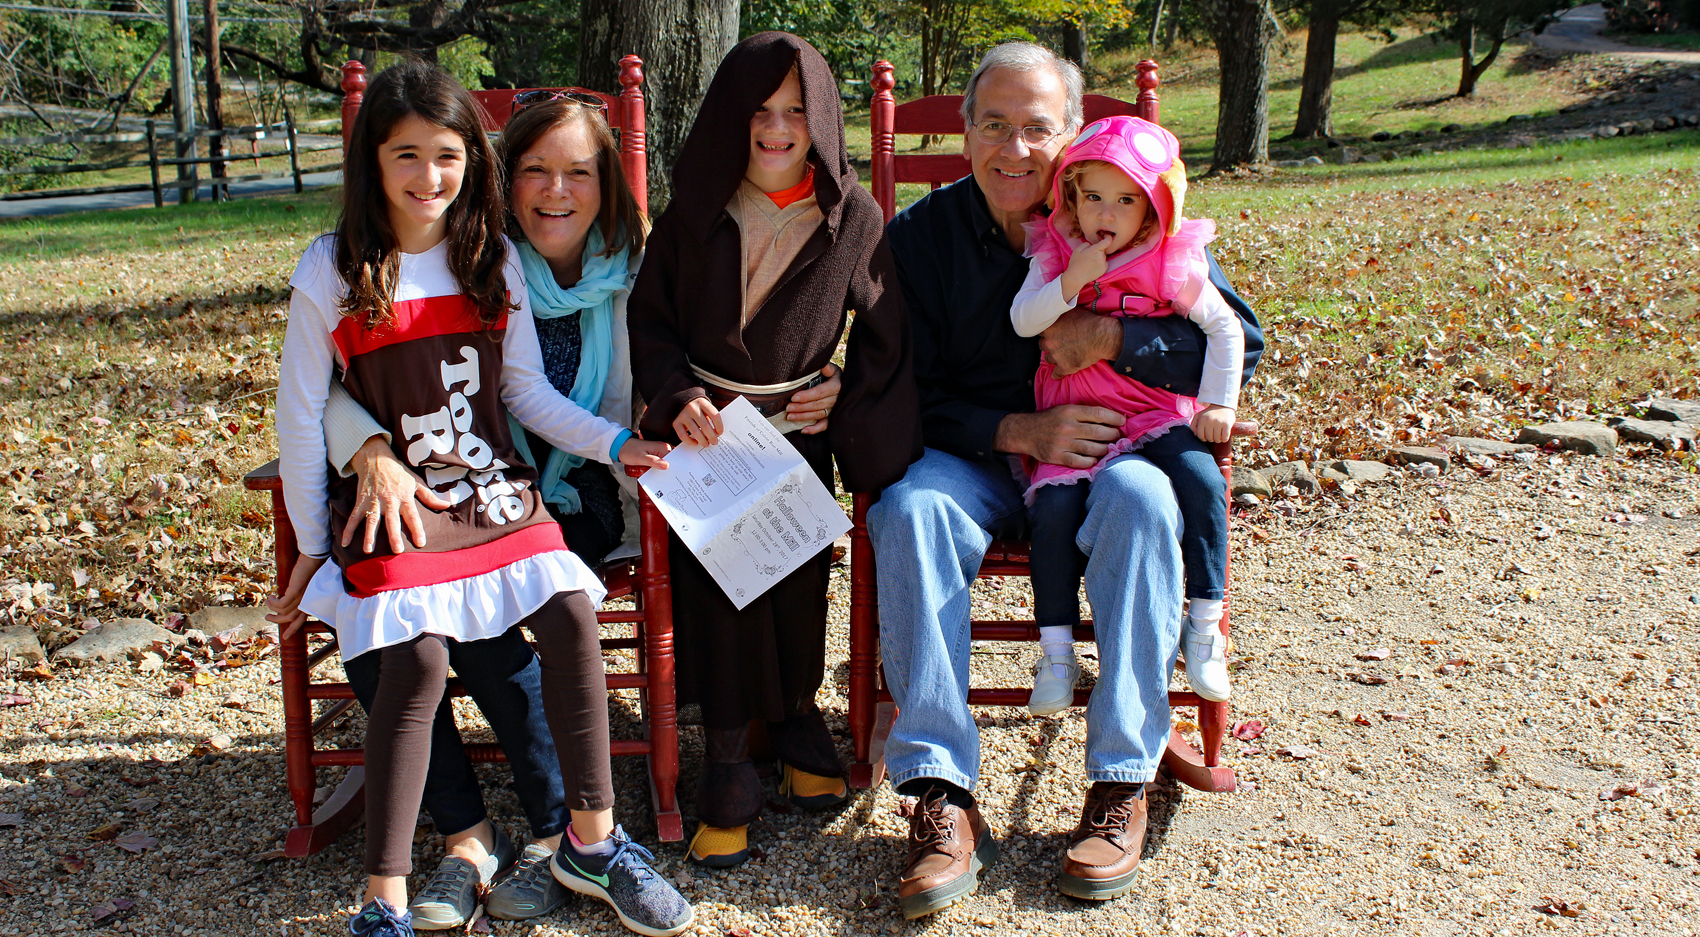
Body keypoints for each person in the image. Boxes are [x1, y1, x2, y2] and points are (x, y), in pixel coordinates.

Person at [318, 89, 845, 923]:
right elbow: (343, 370)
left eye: (580, 173)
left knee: (489, 615)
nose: (556, 191)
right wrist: (367, 446)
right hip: (442, 478)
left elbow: (713, 361)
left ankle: (560, 823)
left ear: (609, 185)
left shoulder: (637, 272)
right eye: (534, 171)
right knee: (386, 621)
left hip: (579, 488)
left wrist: (830, 381)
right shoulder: (457, 257)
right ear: (500, 178)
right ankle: (483, 827)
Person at [265, 60, 692, 937]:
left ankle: (593, 840)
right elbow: (302, 412)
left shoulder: (488, 256)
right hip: (400, 503)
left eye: (449, 155)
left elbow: (525, 392)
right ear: (372, 162)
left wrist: (616, 443)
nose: (430, 178)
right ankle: (382, 896)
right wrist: (313, 540)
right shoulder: (334, 269)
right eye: (407, 155)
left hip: (492, 484)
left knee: (571, 604)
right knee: (416, 659)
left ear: (472, 161)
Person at [865, 42, 1262, 916]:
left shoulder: (1123, 210)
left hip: (1111, 456)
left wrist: (1120, 341)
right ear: (966, 135)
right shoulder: (919, 243)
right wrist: (1017, 427)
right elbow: (894, 395)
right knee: (907, 511)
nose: (1015, 150)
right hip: (975, 460)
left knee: (1147, 498)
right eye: (994, 125)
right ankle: (941, 792)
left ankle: (1121, 777)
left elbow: (1242, 341)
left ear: (1075, 134)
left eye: (1038, 128)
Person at [626, 31, 920, 869]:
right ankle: (726, 762)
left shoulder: (853, 216)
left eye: (797, 112)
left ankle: (796, 727)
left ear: (821, 122)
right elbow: (649, 320)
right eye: (761, 111)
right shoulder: (693, 210)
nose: (778, 128)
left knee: (798, 586)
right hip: (704, 437)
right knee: (721, 592)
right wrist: (676, 395)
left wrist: (843, 386)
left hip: (793, 440)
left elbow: (888, 334)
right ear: (732, 117)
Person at [1010, 115, 1240, 715]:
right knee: (1055, 514)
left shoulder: (1171, 260)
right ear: (1070, 196)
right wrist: (1072, 281)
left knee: (1202, 479)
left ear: (1154, 206)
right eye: (1092, 198)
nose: (1105, 215)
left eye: (1126, 199)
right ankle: (1057, 652)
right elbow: (1024, 321)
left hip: (1152, 412)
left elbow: (1226, 327)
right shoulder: (1056, 251)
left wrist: (1219, 403)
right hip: (1074, 415)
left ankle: (1206, 624)